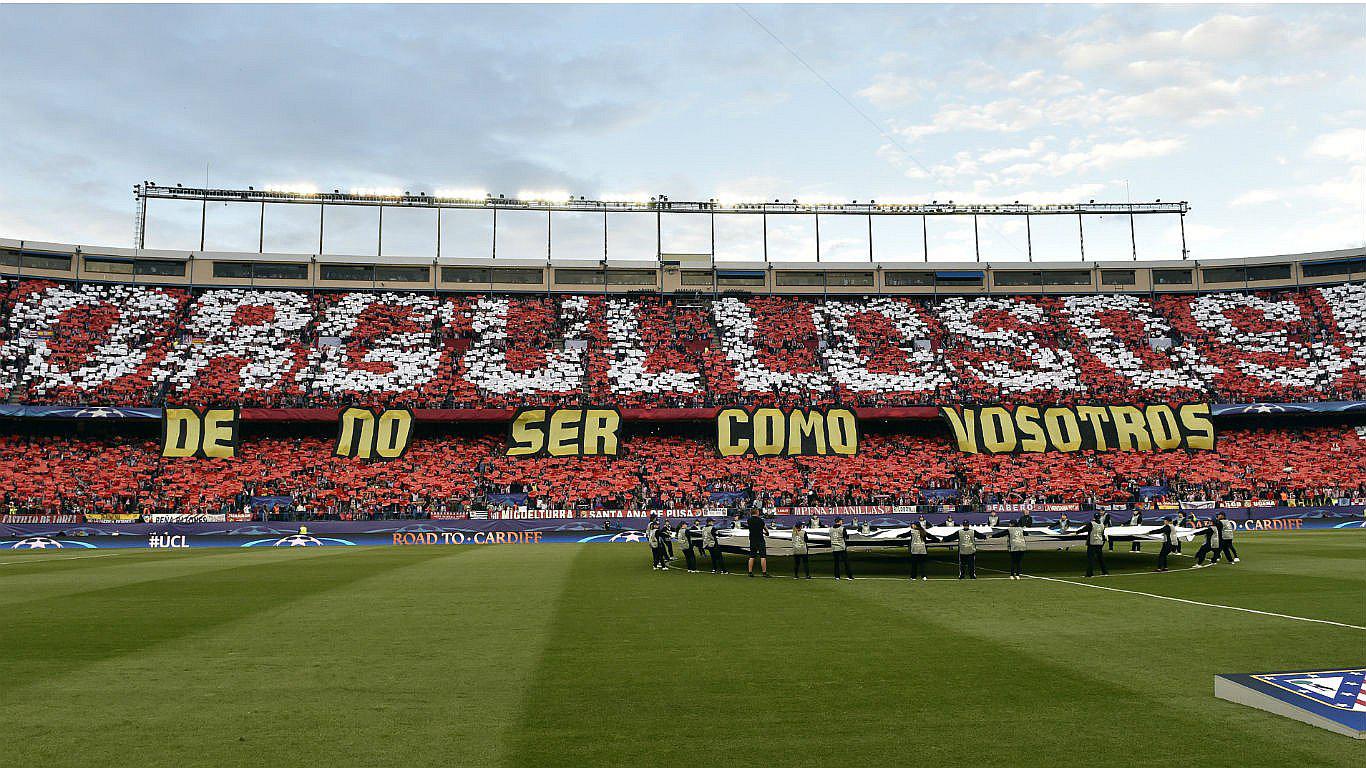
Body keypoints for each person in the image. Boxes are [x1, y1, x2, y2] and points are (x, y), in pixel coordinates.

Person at [1081, 512, 1109, 577]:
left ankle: (1089, 573)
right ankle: (1105, 572)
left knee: (1090, 559)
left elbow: (1084, 529)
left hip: (1092, 543)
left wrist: (1077, 532)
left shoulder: (1091, 524)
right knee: (1100, 559)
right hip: (1099, 543)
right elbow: (1102, 534)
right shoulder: (1102, 524)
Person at [746, 509, 770, 578]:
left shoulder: (749, 520)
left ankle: (750, 572)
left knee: (752, 556)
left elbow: (753, 528)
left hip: (752, 539)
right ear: (757, 512)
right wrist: (767, 533)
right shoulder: (760, 520)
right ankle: (764, 572)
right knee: (763, 556)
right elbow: (765, 528)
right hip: (760, 539)